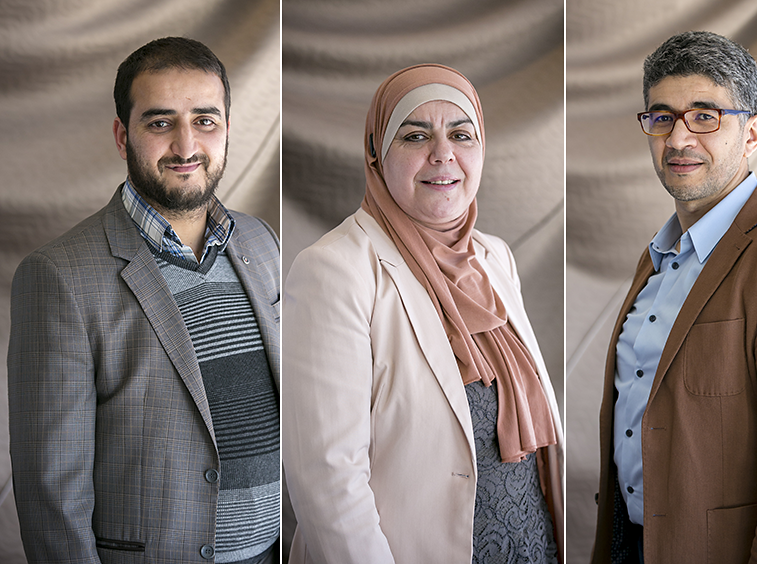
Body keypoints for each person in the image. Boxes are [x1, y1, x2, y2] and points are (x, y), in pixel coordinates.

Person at [8, 37, 281, 563]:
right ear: (122, 134)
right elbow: (50, 493)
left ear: (226, 127)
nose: (186, 146)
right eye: (160, 123)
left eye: (206, 121)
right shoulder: (57, 276)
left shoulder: (259, 241)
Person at [281, 64, 564, 563]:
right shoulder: (334, 270)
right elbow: (327, 480)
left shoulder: (494, 257)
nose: (443, 153)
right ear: (376, 152)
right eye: (416, 135)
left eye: (461, 134)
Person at [591, 30, 757, 564]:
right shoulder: (657, 258)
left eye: (705, 116)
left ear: (751, 133)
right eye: (662, 117)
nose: (679, 140)